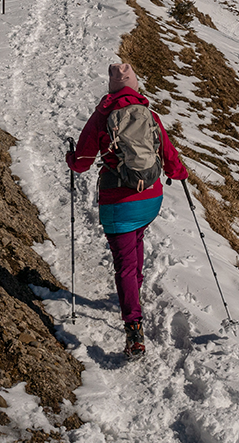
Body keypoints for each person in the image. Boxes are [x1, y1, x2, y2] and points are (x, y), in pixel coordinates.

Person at [66, 63, 188, 358]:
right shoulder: (149, 115)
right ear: (134, 86)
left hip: (118, 201)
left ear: (111, 88)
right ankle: (136, 289)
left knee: (124, 264)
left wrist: (70, 157)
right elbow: (169, 155)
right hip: (150, 197)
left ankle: (134, 329)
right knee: (136, 242)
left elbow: (82, 162)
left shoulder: (102, 117)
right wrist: (180, 173)